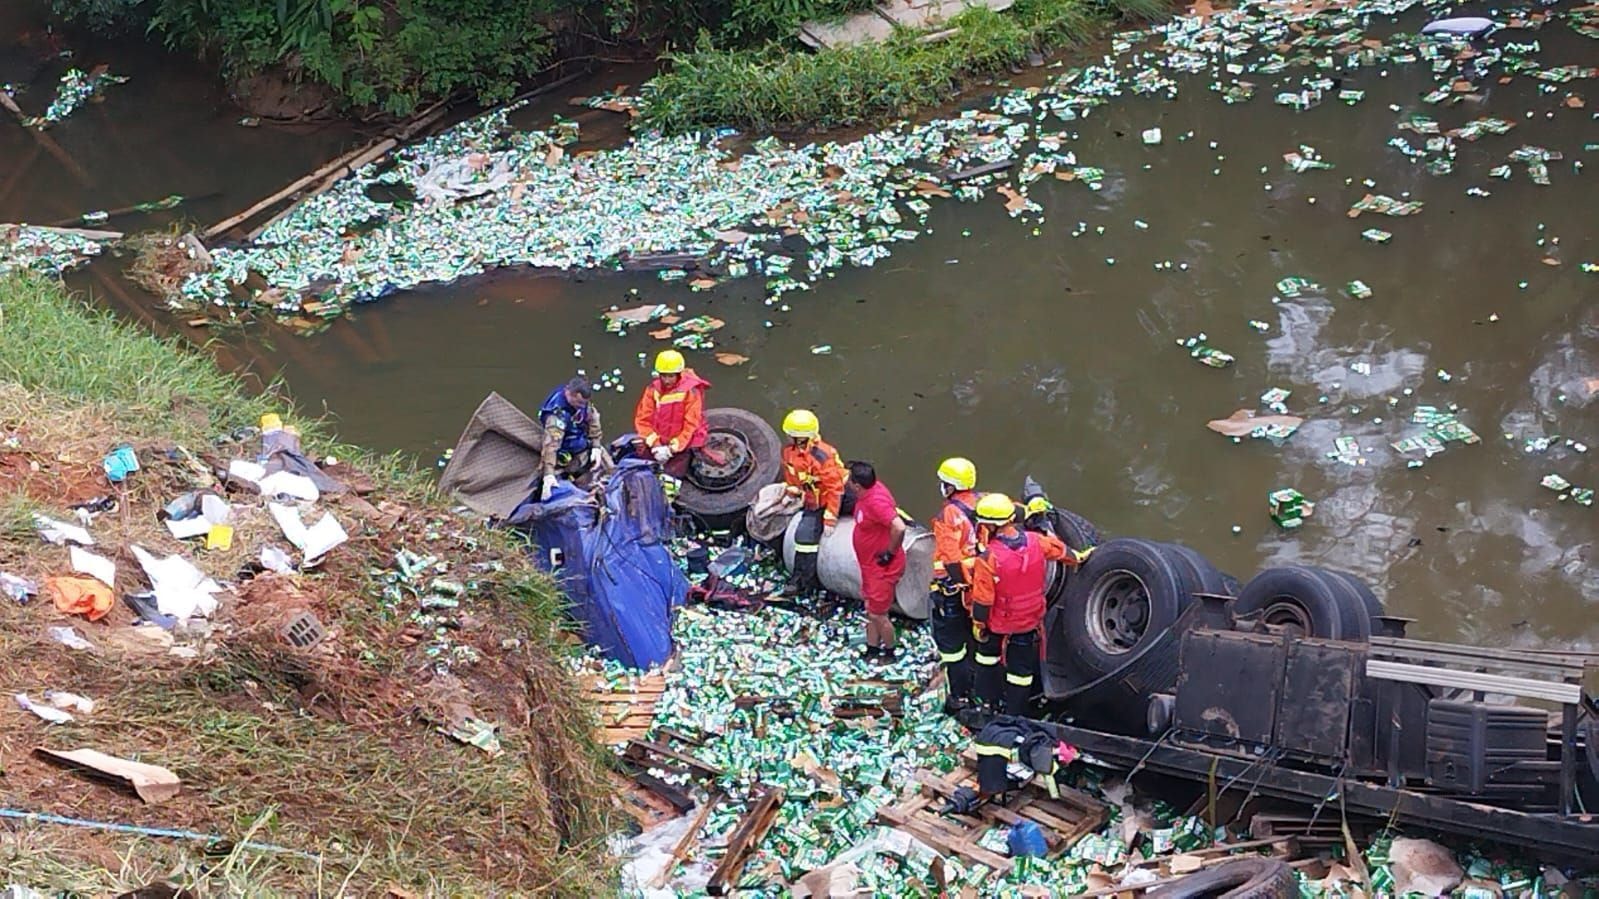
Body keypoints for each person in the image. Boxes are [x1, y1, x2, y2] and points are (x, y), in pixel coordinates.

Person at [969, 493, 1087, 715]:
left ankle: (988, 703)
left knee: (986, 657)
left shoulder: (989, 558)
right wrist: (1079, 557)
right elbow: (1062, 552)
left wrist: (979, 624)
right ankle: (1017, 712)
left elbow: (983, 599)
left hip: (1000, 623)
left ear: (991, 525)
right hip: (1031, 620)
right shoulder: (1036, 541)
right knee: (1021, 672)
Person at [930, 457, 982, 714]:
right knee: (978, 637)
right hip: (981, 585)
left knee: (952, 648)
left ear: (950, 486)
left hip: (953, 590)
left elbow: (950, 559)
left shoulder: (947, 516)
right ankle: (981, 687)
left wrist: (960, 584)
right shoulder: (985, 502)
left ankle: (960, 695)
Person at [780, 409, 846, 598]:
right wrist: (793, 490)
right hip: (813, 500)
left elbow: (835, 488)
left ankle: (805, 582)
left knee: (870, 507)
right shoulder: (789, 453)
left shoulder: (822, 456)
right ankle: (801, 580)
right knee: (804, 538)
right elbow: (793, 476)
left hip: (835, 495)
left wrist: (830, 518)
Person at [850, 461, 906, 664]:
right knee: (871, 610)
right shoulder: (871, 490)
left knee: (878, 614)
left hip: (881, 568)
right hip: (870, 566)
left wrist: (889, 553)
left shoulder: (875, 502)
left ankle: (890, 652)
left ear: (857, 486)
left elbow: (898, 527)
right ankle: (872, 648)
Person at [633, 350, 711, 478]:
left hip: (682, 441)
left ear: (679, 374)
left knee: (671, 477)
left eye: (671, 376)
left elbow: (690, 424)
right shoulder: (653, 390)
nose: (667, 380)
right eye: (663, 376)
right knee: (643, 469)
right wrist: (655, 444)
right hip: (659, 438)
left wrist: (672, 448)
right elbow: (643, 420)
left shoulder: (691, 392)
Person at [537, 375, 606, 501]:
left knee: (605, 464)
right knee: (556, 486)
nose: (581, 406)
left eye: (584, 404)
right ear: (570, 394)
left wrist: (596, 445)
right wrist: (548, 474)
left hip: (581, 440)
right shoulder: (557, 415)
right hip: (563, 448)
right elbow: (551, 445)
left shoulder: (583, 403)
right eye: (579, 403)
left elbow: (593, 417)